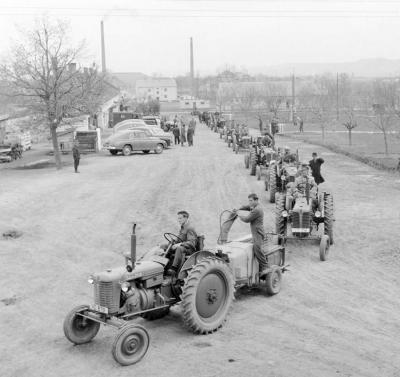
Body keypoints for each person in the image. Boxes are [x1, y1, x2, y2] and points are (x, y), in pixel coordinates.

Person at [234, 194, 269, 276]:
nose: (249, 202)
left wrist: (238, 214)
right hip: (255, 231)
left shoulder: (257, 210)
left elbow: (247, 219)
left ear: (256, 200)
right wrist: (239, 208)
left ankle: (265, 267)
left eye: (251, 201)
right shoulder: (255, 206)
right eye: (249, 200)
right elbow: (247, 207)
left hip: (258, 232)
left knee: (257, 248)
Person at [166, 211, 198, 276]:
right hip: (184, 247)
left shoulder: (190, 228)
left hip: (189, 249)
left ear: (185, 218)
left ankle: (174, 268)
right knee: (165, 246)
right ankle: (164, 265)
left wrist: (179, 244)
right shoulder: (182, 228)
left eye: (180, 218)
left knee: (179, 248)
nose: (178, 220)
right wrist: (173, 242)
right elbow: (179, 239)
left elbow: (191, 243)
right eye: (178, 218)